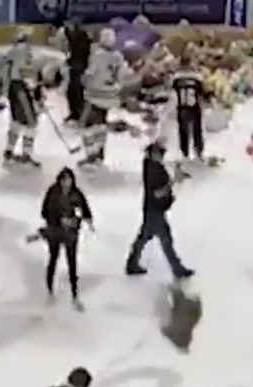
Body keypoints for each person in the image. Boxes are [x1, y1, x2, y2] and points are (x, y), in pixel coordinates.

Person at [125, 141, 194, 279]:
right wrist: (173, 181)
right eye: (160, 153)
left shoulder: (151, 166)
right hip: (155, 210)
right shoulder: (153, 170)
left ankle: (132, 263)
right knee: (165, 240)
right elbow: (157, 192)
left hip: (152, 209)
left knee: (145, 237)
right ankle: (177, 269)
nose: (162, 156)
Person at [40, 167, 92, 310]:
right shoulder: (53, 193)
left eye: (69, 180)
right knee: (53, 259)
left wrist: (79, 220)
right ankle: (50, 290)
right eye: (65, 180)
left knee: (72, 263)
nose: (67, 183)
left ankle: (75, 294)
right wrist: (58, 221)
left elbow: (83, 210)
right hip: (56, 232)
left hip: (71, 234)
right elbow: (45, 211)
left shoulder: (76, 194)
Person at [79, 28, 127, 167]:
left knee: (86, 125)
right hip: (111, 95)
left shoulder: (97, 55)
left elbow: (90, 73)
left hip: (95, 95)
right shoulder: (118, 56)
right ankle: (100, 153)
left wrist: (83, 82)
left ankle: (91, 155)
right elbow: (121, 76)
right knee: (101, 125)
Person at [1, 28, 42, 167]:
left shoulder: (13, 50)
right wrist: (33, 87)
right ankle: (26, 153)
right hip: (22, 89)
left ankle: (9, 150)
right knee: (31, 123)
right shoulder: (24, 50)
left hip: (14, 88)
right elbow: (26, 71)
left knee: (16, 121)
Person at [171, 56, 205, 164]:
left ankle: (184, 153)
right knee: (197, 131)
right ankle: (198, 153)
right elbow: (201, 93)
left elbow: (173, 91)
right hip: (194, 106)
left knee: (183, 131)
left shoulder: (176, 78)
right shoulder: (197, 77)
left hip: (182, 106)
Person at [63, 21, 91, 123]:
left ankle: (79, 113)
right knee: (71, 92)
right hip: (75, 68)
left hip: (80, 69)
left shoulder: (82, 39)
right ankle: (75, 112)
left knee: (77, 92)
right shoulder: (77, 39)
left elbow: (80, 52)